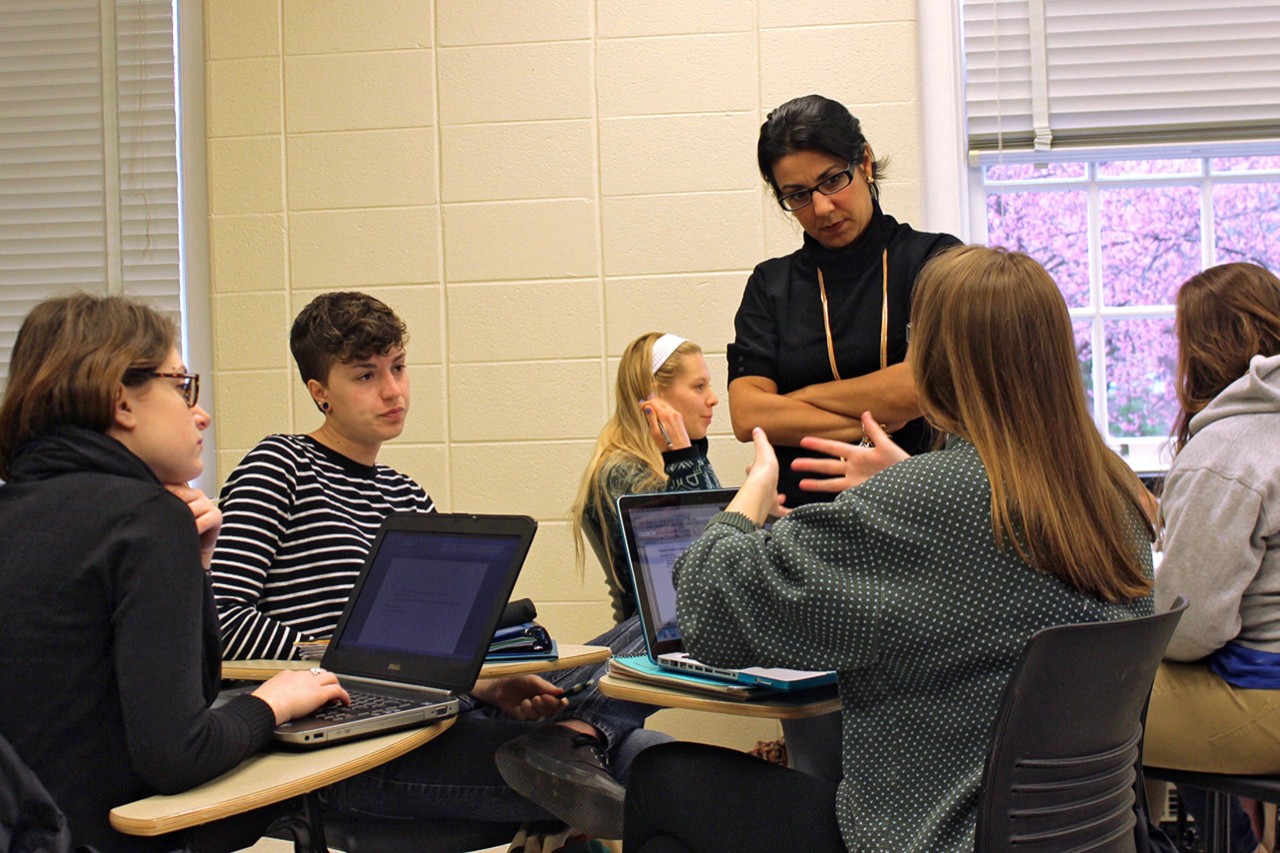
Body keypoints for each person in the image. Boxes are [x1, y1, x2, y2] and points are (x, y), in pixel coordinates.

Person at [624, 246, 1157, 852]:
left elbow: (705, 611)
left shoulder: (924, 500)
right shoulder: (1115, 490)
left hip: (929, 836)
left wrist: (754, 490)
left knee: (657, 776)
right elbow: (995, 559)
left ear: (931, 359)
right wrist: (905, 481)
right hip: (1082, 838)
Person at [211, 291, 662, 839]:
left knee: (665, 628)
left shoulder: (406, 494)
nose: (393, 390)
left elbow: (436, 645)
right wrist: (345, 659)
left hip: (442, 708)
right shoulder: (279, 466)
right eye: (365, 376)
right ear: (319, 392)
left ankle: (575, 732)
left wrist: (489, 686)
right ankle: (576, 737)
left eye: (398, 368)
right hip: (348, 746)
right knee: (652, 781)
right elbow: (223, 626)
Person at [0, 294, 347, 853]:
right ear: (122, 402)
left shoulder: (22, 510)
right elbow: (177, 754)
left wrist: (198, 567)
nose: (200, 412)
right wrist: (275, 702)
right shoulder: (143, 519)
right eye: (182, 386)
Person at [728, 94, 961, 507]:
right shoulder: (770, 285)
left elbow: (919, 387)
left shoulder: (936, 261)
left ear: (865, 162)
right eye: (797, 195)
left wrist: (794, 401)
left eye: (833, 180)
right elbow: (747, 415)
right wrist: (878, 412)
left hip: (917, 517)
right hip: (805, 526)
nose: (821, 207)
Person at [1143, 263, 1280, 853]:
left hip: (1266, 700)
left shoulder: (1225, 451)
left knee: (1085, 701)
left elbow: (1189, 631)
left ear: (1201, 348)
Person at [571, 331, 721, 623]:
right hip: (653, 641)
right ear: (654, 395)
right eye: (699, 386)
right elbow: (695, 577)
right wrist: (683, 460)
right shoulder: (622, 472)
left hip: (689, 633)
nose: (713, 399)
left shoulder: (683, 460)